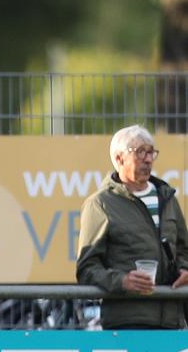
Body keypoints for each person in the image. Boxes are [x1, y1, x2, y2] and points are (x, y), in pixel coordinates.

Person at [77, 125, 188, 328]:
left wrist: (184, 269)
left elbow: (183, 250)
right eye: (140, 152)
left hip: (172, 321)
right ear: (119, 159)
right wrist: (122, 281)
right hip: (128, 322)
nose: (148, 159)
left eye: (151, 152)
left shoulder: (167, 198)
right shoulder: (100, 204)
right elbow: (87, 269)